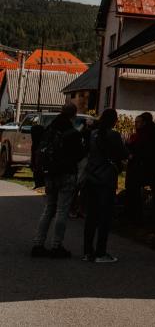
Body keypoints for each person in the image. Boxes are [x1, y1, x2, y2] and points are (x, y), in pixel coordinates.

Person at [30, 104, 86, 258]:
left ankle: (38, 243)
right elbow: (80, 155)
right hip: (66, 174)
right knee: (62, 211)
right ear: (74, 115)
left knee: (49, 209)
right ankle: (56, 245)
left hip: (50, 174)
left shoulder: (50, 129)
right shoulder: (73, 133)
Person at [83, 108, 128, 263]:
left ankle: (87, 251)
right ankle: (100, 252)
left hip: (91, 177)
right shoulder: (114, 135)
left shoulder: (93, 134)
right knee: (104, 217)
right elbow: (123, 154)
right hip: (106, 179)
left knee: (91, 216)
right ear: (114, 121)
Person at [125, 112, 155, 221]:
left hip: (143, 166)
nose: (135, 124)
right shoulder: (146, 133)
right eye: (135, 122)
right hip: (148, 166)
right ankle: (154, 212)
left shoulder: (146, 134)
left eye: (138, 122)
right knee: (154, 188)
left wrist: (130, 147)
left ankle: (138, 214)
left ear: (144, 122)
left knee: (137, 189)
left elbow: (143, 149)